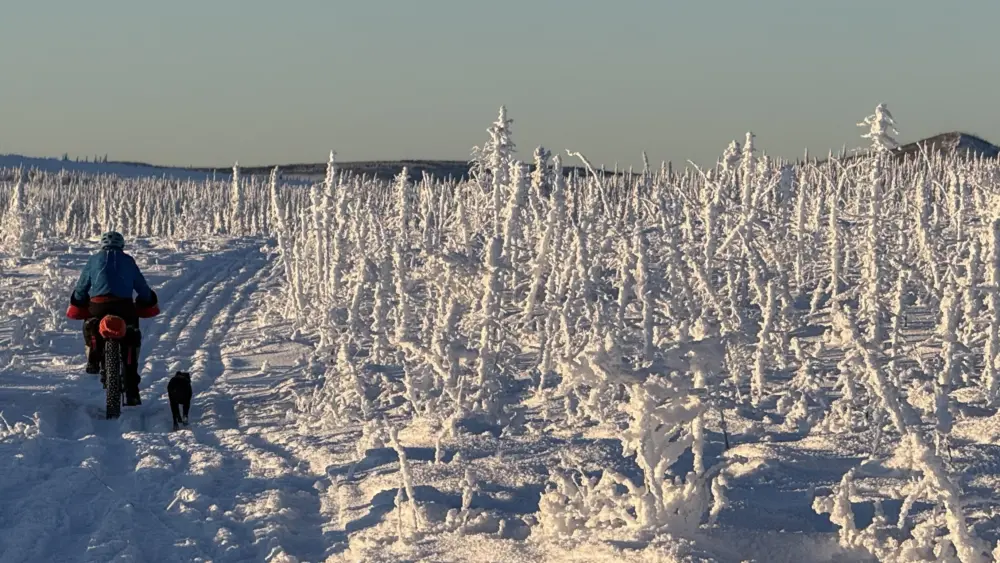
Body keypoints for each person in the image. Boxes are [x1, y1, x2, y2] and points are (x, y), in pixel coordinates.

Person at [66, 231, 160, 406]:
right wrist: (147, 299)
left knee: (91, 323)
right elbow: (141, 286)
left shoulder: (93, 260)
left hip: (98, 305)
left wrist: (78, 300)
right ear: (122, 246)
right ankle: (132, 391)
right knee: (132, 338)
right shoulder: (129, 261)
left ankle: (93, 356)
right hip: (125, 306)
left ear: (102, 245)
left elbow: (81, 287)